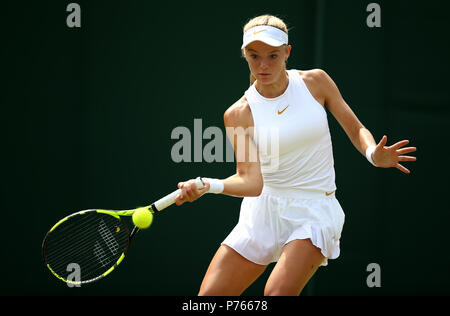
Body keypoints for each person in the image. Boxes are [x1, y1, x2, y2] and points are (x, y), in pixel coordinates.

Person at [174, 14, 417, 296]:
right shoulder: (238, 113)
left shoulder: (316, 83)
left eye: (273, 56)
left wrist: (373, 153)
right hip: (262, 213)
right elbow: (251, 182)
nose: (263, 65)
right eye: (254, 56)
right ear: (245, 55)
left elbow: (355, 129)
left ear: (287, 52)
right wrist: (209, 185)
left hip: (313, 210)